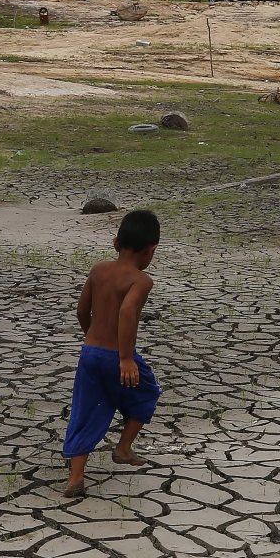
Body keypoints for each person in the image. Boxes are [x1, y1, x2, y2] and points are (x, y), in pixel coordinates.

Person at [61, 209, 162, 498]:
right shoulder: (141, 280)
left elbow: (82, 311)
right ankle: (123, 447)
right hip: (117, 356)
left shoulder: (98, 270)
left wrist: (92, 338)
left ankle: (76, 477)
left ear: (116, 243)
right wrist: (126, 357)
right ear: (151, 250)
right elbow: (127, 311)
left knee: (85, 409)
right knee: (147, 392)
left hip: (90, 353)